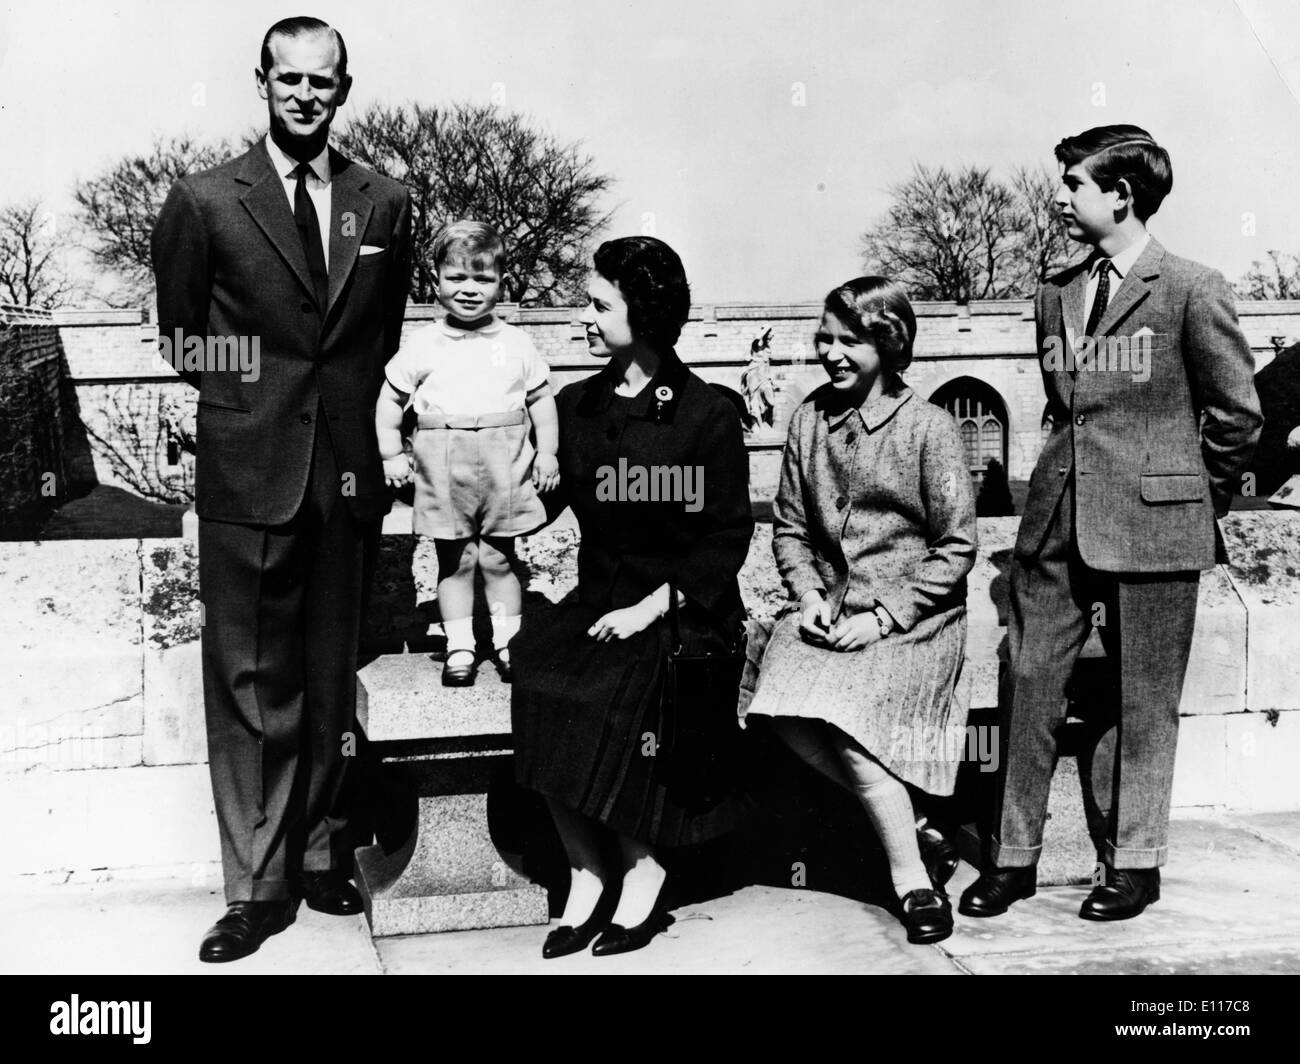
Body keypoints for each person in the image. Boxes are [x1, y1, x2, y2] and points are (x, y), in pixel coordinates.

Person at [151, 16, 412, 962]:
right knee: (249, 685)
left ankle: (319, 852)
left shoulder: (384, 202)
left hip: (346, 478)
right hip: (249, 473)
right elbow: (182, 334)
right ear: (260, 81)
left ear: (345, 89)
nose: (305, 95)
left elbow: (377, 341)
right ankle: (253, 889)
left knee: (329, 680)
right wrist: (255, 394)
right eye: (289, 79)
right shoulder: (206, 198)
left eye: (323, 82)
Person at [959, 125, 1262, 922]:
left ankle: (1134, 863)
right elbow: (1070, 411)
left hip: (1156, 529)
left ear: (1120, 196)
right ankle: (1014, 859)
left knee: (1144, 700)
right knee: (1030, 688)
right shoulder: (1053, 295)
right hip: (1054, 524)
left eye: (1073, 185)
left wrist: (1197, 498)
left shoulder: (1193, 287)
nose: (1059, 198)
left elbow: (1237, 414)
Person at [511, 236, 754, 958]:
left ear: (642, 312)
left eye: (597, 305)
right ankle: (587, 872)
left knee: (608, 691)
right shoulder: (574, 406)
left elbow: (724, 540)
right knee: (537, 675)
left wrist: (650, 609)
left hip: (682, 613)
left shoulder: (705, 414)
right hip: (598, 603)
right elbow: (535, 508)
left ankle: (643, 870)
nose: (581, 318)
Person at [744, 277, 977, 944]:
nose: (831, 352)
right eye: (825, 338)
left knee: (847, 727)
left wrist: (885, 616)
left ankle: (912, 881)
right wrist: (810, 595)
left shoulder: (930, 428)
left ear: (889, 344)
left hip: (914, 623)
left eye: (850, 341)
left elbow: (957, 544)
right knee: (777, 709)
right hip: (829, 611)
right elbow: (788, 527)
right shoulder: (807, 419)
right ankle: (923, 830)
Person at [375, 221, 559, 686]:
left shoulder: (517, 343)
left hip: (504, 459)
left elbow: (541, 401)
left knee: (498, 558)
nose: (470, 289)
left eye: (483, 278)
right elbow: (390, 400)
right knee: (454, 559)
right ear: (436, 280)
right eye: (457, 278)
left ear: (501, 283)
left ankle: (508, 642)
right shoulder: (423, 344)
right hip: (442, 459)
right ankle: (460, 646)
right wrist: (391, 455)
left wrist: (548, 454)